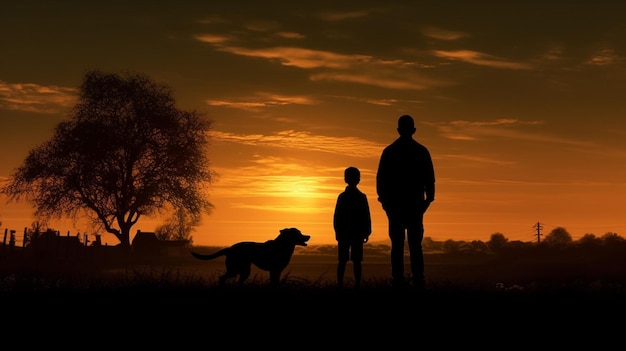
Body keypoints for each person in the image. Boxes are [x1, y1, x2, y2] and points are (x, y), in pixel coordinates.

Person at [376, 115, 435, 289]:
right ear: (413, 130)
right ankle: (418, 280)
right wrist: (427, 201)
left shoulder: (389, 151)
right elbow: (430, 180)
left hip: (397, 206)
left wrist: (385, 202)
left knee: (398, 245)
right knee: (415, 245)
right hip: (414, 205)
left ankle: (398, 280)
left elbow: (381, 180)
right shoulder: (421, 151)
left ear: (398, 130)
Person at [333, 166, 372, 289]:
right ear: (358, 179)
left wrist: (337, 231)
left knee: (348, 261)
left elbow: (337, 216)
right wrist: (367, 231)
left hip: (350, 232)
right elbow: (366, 215)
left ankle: (346, 285)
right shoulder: (360, 197)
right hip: (354, 233)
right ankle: (355, 285)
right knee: (353, 261)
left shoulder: (344, 197)